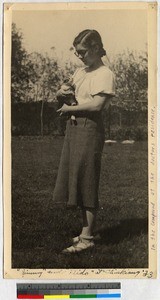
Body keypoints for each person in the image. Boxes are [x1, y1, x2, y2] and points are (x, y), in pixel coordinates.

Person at [53, 29, 115, 254]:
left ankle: (87, 238)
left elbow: (97, 106)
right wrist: (62, 92)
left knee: (87, 180)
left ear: (97, 48)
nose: (79, 56)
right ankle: (86, 230)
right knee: (77, 179)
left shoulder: (104, 73)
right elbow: (72, 95)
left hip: (89, 129)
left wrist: (71, 108)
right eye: (76, 52)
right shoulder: (81, 72)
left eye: (83, 52)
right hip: (74, 128)